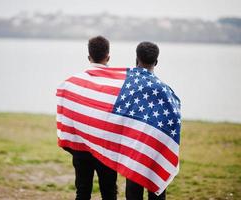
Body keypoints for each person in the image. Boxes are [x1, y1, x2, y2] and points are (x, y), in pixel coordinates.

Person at [62, 36, 117, 200]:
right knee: (109, 193)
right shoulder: (118, 85)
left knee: (82, 192)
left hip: (81, 148)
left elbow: (67, 115)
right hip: (107, 149)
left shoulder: (72, 83)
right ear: (108, 57)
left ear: (88, 57)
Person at [125, 41, 167, 200]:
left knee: (133, 195)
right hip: (156, 153)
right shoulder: (165, 91)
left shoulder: (127, 87)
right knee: (157, 195)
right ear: (156, 62)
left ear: (136, 59)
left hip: (134, 151)